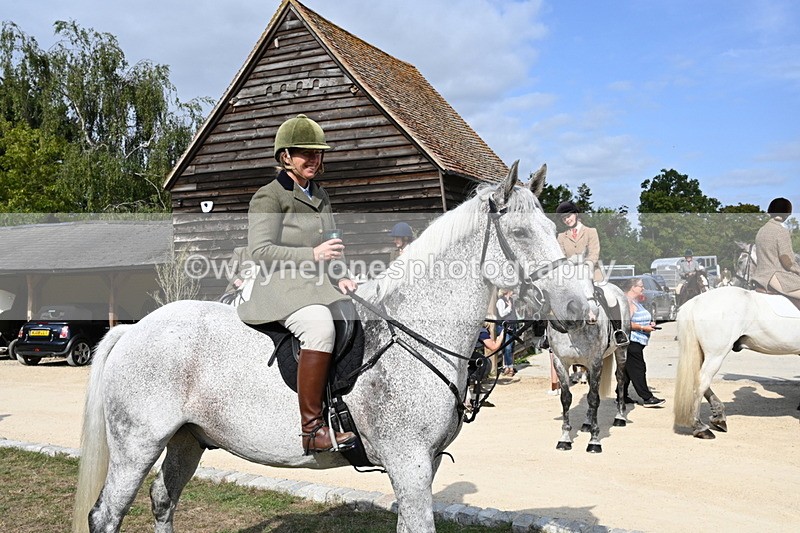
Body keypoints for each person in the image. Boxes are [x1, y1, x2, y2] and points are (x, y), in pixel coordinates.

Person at [237, 114, 356, 454]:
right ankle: (312, 429)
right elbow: (260, 251)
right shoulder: (269, 196)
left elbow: (332, 243)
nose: (314, 159)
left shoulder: (320, 195)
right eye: (306, 153)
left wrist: (341, 274)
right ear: (285, 156)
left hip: (318, 284)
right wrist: (312, 255)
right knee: (320, 328)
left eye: (318, 153)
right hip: (280, 286)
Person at [552, 201, 628, 383]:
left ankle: (618, 332)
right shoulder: (561, 237)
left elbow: (594, 253)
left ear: (576, 214)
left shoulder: (591, 231)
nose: (567, 220)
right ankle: (549, 338)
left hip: (592, 275)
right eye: (564, 218)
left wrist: (585, 264)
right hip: (571, 278)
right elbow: (560, 257)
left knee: (611, 298)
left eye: (569, 216)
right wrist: (570, 265)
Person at [621, 277, 665, 407]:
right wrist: (643, 328)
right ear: (633, 287)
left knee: (627, 370)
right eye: (641, 286)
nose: (643, 288)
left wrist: (649, 324)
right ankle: (647, 398)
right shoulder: (628, 302)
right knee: (638, 368)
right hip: (631, 341)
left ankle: (621, 396)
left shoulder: (635, 302)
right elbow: (625, 323)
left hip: (637, 341)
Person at [753, 197, 800, 299]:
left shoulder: (761, 230)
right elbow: (787, 261)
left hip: (760, 276)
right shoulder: (781, 231)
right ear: (786, 214)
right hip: (777, 277)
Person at [495, 288, 518, 376]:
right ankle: (509, 367)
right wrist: (509, 308)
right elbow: (501, 314)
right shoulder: (501, 301)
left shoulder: (511, 300)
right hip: (505, 327)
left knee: (510, 347)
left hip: (512, 326)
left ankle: (507, 367)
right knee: (507, 347)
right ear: (507, 291)